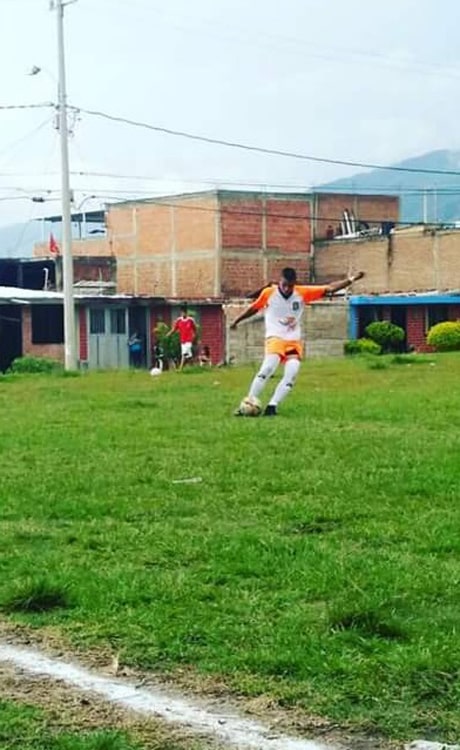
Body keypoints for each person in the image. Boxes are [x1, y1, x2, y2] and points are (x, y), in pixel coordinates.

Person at [231, 267, 365, 416]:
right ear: (279, 281)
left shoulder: (302, 292)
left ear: (295, 283)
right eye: (284, 284)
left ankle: (272, 406)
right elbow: (254, 308)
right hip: (275, 338)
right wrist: (236, 321)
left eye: (290, 285)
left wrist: (352, 279)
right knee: (268, 368)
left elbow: (330, 288)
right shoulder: (268, 293)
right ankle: (248, 402)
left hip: (293, 341)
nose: (287, 288)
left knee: (291, 373)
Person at [167, 305, 197, 371]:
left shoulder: (190, 320)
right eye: (182, 313)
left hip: (189, 339)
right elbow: (174, 329)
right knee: (188, 355)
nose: (183, 314)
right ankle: (194, 366)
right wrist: (169, 334)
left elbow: (194, 328)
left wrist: (194, 335)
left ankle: (180, 368)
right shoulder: (179, 320)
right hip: (182, 340)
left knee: (184, 353)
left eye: (185, 312)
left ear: (187, 313)